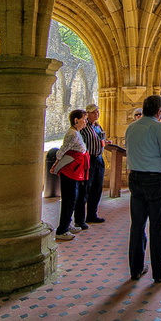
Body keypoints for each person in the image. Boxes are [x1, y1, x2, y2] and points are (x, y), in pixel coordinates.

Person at [125, 94, 161, 283]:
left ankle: (136, 269)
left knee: (138, 225)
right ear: (159, 111)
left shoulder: (131, 128)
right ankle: (159, 271)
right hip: (156, 180)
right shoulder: (160, 128)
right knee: (157, 226)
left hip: (135, 178)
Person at [51, 109, 90, 241]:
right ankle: (62, 230)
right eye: (84, 119)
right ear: (76, 120)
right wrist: (56, 164)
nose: (85, 122)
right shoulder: (72, 134)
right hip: (70, 170)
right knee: (69, 199)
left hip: (76, 169)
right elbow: (62, 151)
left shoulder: (76, 133)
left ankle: (67, 224)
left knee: (73, 198)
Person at [81, 103, 107, 224]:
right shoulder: (84, 128)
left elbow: (100, 140)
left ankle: (92, 214)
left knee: (97, 188)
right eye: (94, 112)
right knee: (86, 188)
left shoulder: (97, 126)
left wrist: (105, 142)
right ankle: (80, 218)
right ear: (87, 114)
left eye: (97, 111)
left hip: (99, 159)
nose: (97, 114)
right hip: (89, 159)